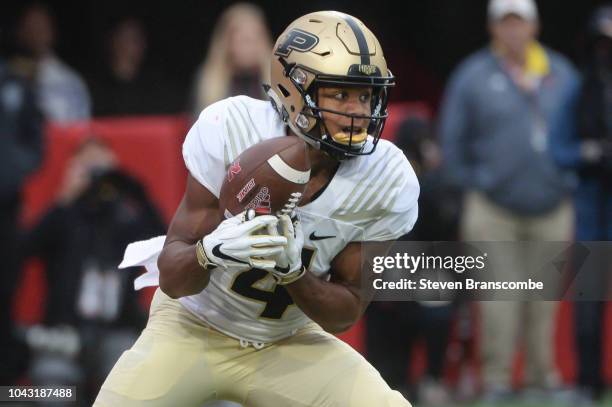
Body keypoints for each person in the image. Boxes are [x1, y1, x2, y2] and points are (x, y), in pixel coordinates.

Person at [94, 11, 419, 407]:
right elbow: (174, 278)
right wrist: (210, 251)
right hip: (194, 326)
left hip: (287, 342)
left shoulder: (385, 177)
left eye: (366, 95)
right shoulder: (234, 128)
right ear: (294, 89)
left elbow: (346, 311)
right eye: (340, 94)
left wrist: (294, 273)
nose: (358, 112)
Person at [439, 0, 577, 402]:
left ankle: (542, 378)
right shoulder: (472, 75)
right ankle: (497, 380)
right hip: (492, 209)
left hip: (552, 205)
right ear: (493, 28)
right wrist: (477, 183)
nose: (514, 31)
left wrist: (567, 177)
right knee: (499, 301)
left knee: (545, 300)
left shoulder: (561, 73)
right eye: (506, 23)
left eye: (520, 22)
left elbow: (583, 127)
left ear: (535, 26)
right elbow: (452, 142)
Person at [21, 137, 165, 405]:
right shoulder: (64, 215)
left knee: (130, 389)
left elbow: (166, 242)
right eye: (89, 167)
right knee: (50, 393)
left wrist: (134, 190)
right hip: (62, 335)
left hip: (117, 331)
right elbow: (22, 250)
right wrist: (64, 199)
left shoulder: (127, 217)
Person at [550, 5, 612, 404]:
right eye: (602, 44)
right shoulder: (579, 88)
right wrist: (589, 153)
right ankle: (588, 379)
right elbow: (559, 148)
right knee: (589, 297)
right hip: (593, 206)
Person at [0, 47, 43, 384]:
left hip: (6, 207)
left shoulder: (14, 82)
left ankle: (7, 387)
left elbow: (35, 140)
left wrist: (13, 170)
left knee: (6, 294)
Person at [13, 3, 91, 123]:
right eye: (30, 27)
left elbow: (81, 131)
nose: (36, 33)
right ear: (20, 32)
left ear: (51, 31)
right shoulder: (7, 78)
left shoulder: (71, 81)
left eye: (40, 26)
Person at [192, 3, 272, 115]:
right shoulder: (210, 82)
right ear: (227, 43)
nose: (250, 47)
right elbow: (199, 126)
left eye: (255, 39)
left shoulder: (277, 80)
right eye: (244, 40)